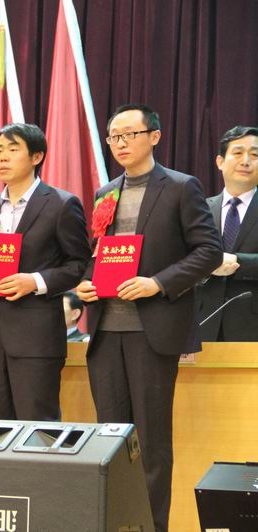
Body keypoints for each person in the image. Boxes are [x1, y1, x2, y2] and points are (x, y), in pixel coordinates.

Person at [76, 104, 221, 532]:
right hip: (106, 331)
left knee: (151, 443)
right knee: (110, 441)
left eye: (129, 134)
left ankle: (153, 527)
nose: (120, 143)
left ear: (154, 136)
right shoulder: (105, 193)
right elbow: (98, 256)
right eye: (114, 137)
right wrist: (87, 284)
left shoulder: (180, 187)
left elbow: (208, 251)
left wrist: (157, 283)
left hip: (151, 332)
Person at [0, 123, 90, 422]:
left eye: (13, 149)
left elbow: (79, 264)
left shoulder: (61, 204)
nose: (2, 157)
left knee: (37, 426)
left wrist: (34, 281)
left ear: (37, 157)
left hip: (36, 338)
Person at [196, 126, 258, 341]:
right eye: (238, 152)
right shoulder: (199, 210)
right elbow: (180, 259)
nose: (246, 161)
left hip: (252, 329)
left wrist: (237, 261)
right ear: (220, 161)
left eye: (255, 155)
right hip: (201, 324)